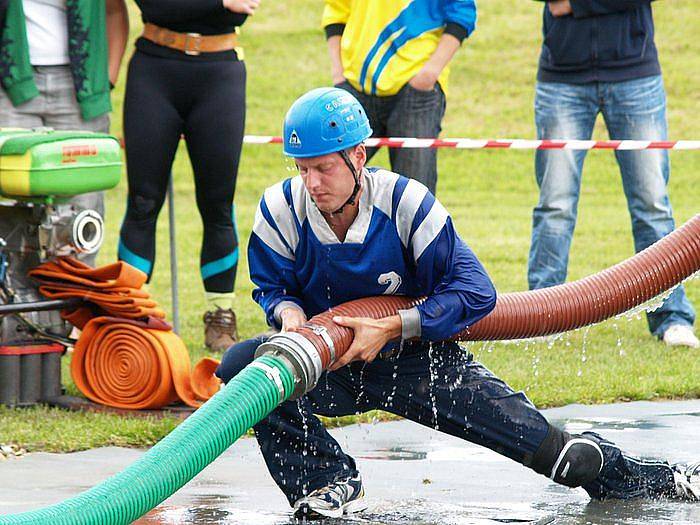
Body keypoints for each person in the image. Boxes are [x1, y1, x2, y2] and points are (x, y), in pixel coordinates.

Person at [216, 88, 700, 520]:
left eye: (323, 167)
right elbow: (271, 286)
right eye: (302, 169)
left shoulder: (406, 203)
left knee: (561, 458)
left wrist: (394, 326)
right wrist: (291, 318)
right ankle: (324, 483)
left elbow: (476, 292)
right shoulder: (280, 208)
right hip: (330, 362)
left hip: (420, 360)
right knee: (246, 369)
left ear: (358, 156)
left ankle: (658, 478)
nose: (312, 182)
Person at [528, 0, 698, 348]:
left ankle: (672, 317)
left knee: (652, 204)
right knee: (555, 204)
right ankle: (541, 318)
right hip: (562, 80)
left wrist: (576, 4)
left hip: (635, 76)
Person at [118, 0, 260, 351]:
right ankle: (128, 313)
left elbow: (240, 9)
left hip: (219, 74)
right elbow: (154, 7)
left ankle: (220, 315)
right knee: (143, 201)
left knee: (217, 204)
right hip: (154, 69)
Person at [0, 0, 129, 265]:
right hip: (11, 79)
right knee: (10, 199)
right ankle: (15, 299)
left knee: (82, 205)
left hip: (79, 87)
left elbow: (115, 11)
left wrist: (108, 78)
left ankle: (73, 299)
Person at [321, 0, 476, 195]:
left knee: (415, 199)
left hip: (416, 92)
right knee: (327, 183)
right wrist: (339, 74)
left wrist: (428, 75)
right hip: (355, 87)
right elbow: (336, 10)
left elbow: (462, 13)